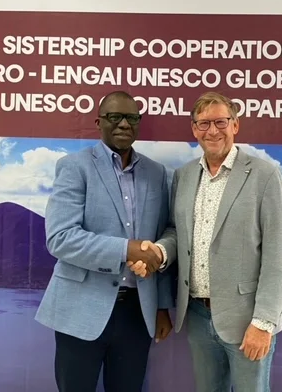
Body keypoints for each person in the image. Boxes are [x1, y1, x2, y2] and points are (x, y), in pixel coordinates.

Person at [128, 91, 282, 392]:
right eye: (204, 123)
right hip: (198, 316)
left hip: (247, 318)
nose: (212, 131)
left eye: (220, 122)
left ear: (235, 125)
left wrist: (263, 322)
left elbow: (278, 254)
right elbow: (176, 231)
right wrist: (159, 252)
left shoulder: (264, 175)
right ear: (194, 129)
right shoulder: (184, 175)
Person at [35, 90, 173, 392]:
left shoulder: (157, 173)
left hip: (137, 313)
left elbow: (166, 233)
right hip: (80, 310)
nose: (124, 124)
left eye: (132, 118)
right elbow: (61, 238)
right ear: (99, 122)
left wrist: (162, 305)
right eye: (115, 117)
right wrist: (126, 249)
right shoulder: (75, 166)